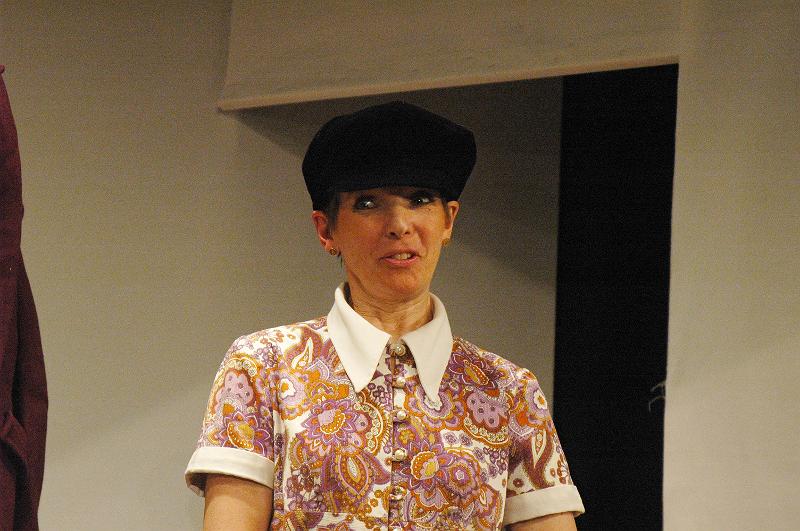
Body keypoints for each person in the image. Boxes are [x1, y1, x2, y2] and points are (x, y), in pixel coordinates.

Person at [185, 101, 584, 530]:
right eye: (368, 203)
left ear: (448, 220)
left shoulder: (508, 392)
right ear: (326, 229)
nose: (399, 224)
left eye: (420, 199)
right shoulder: (264, 367)